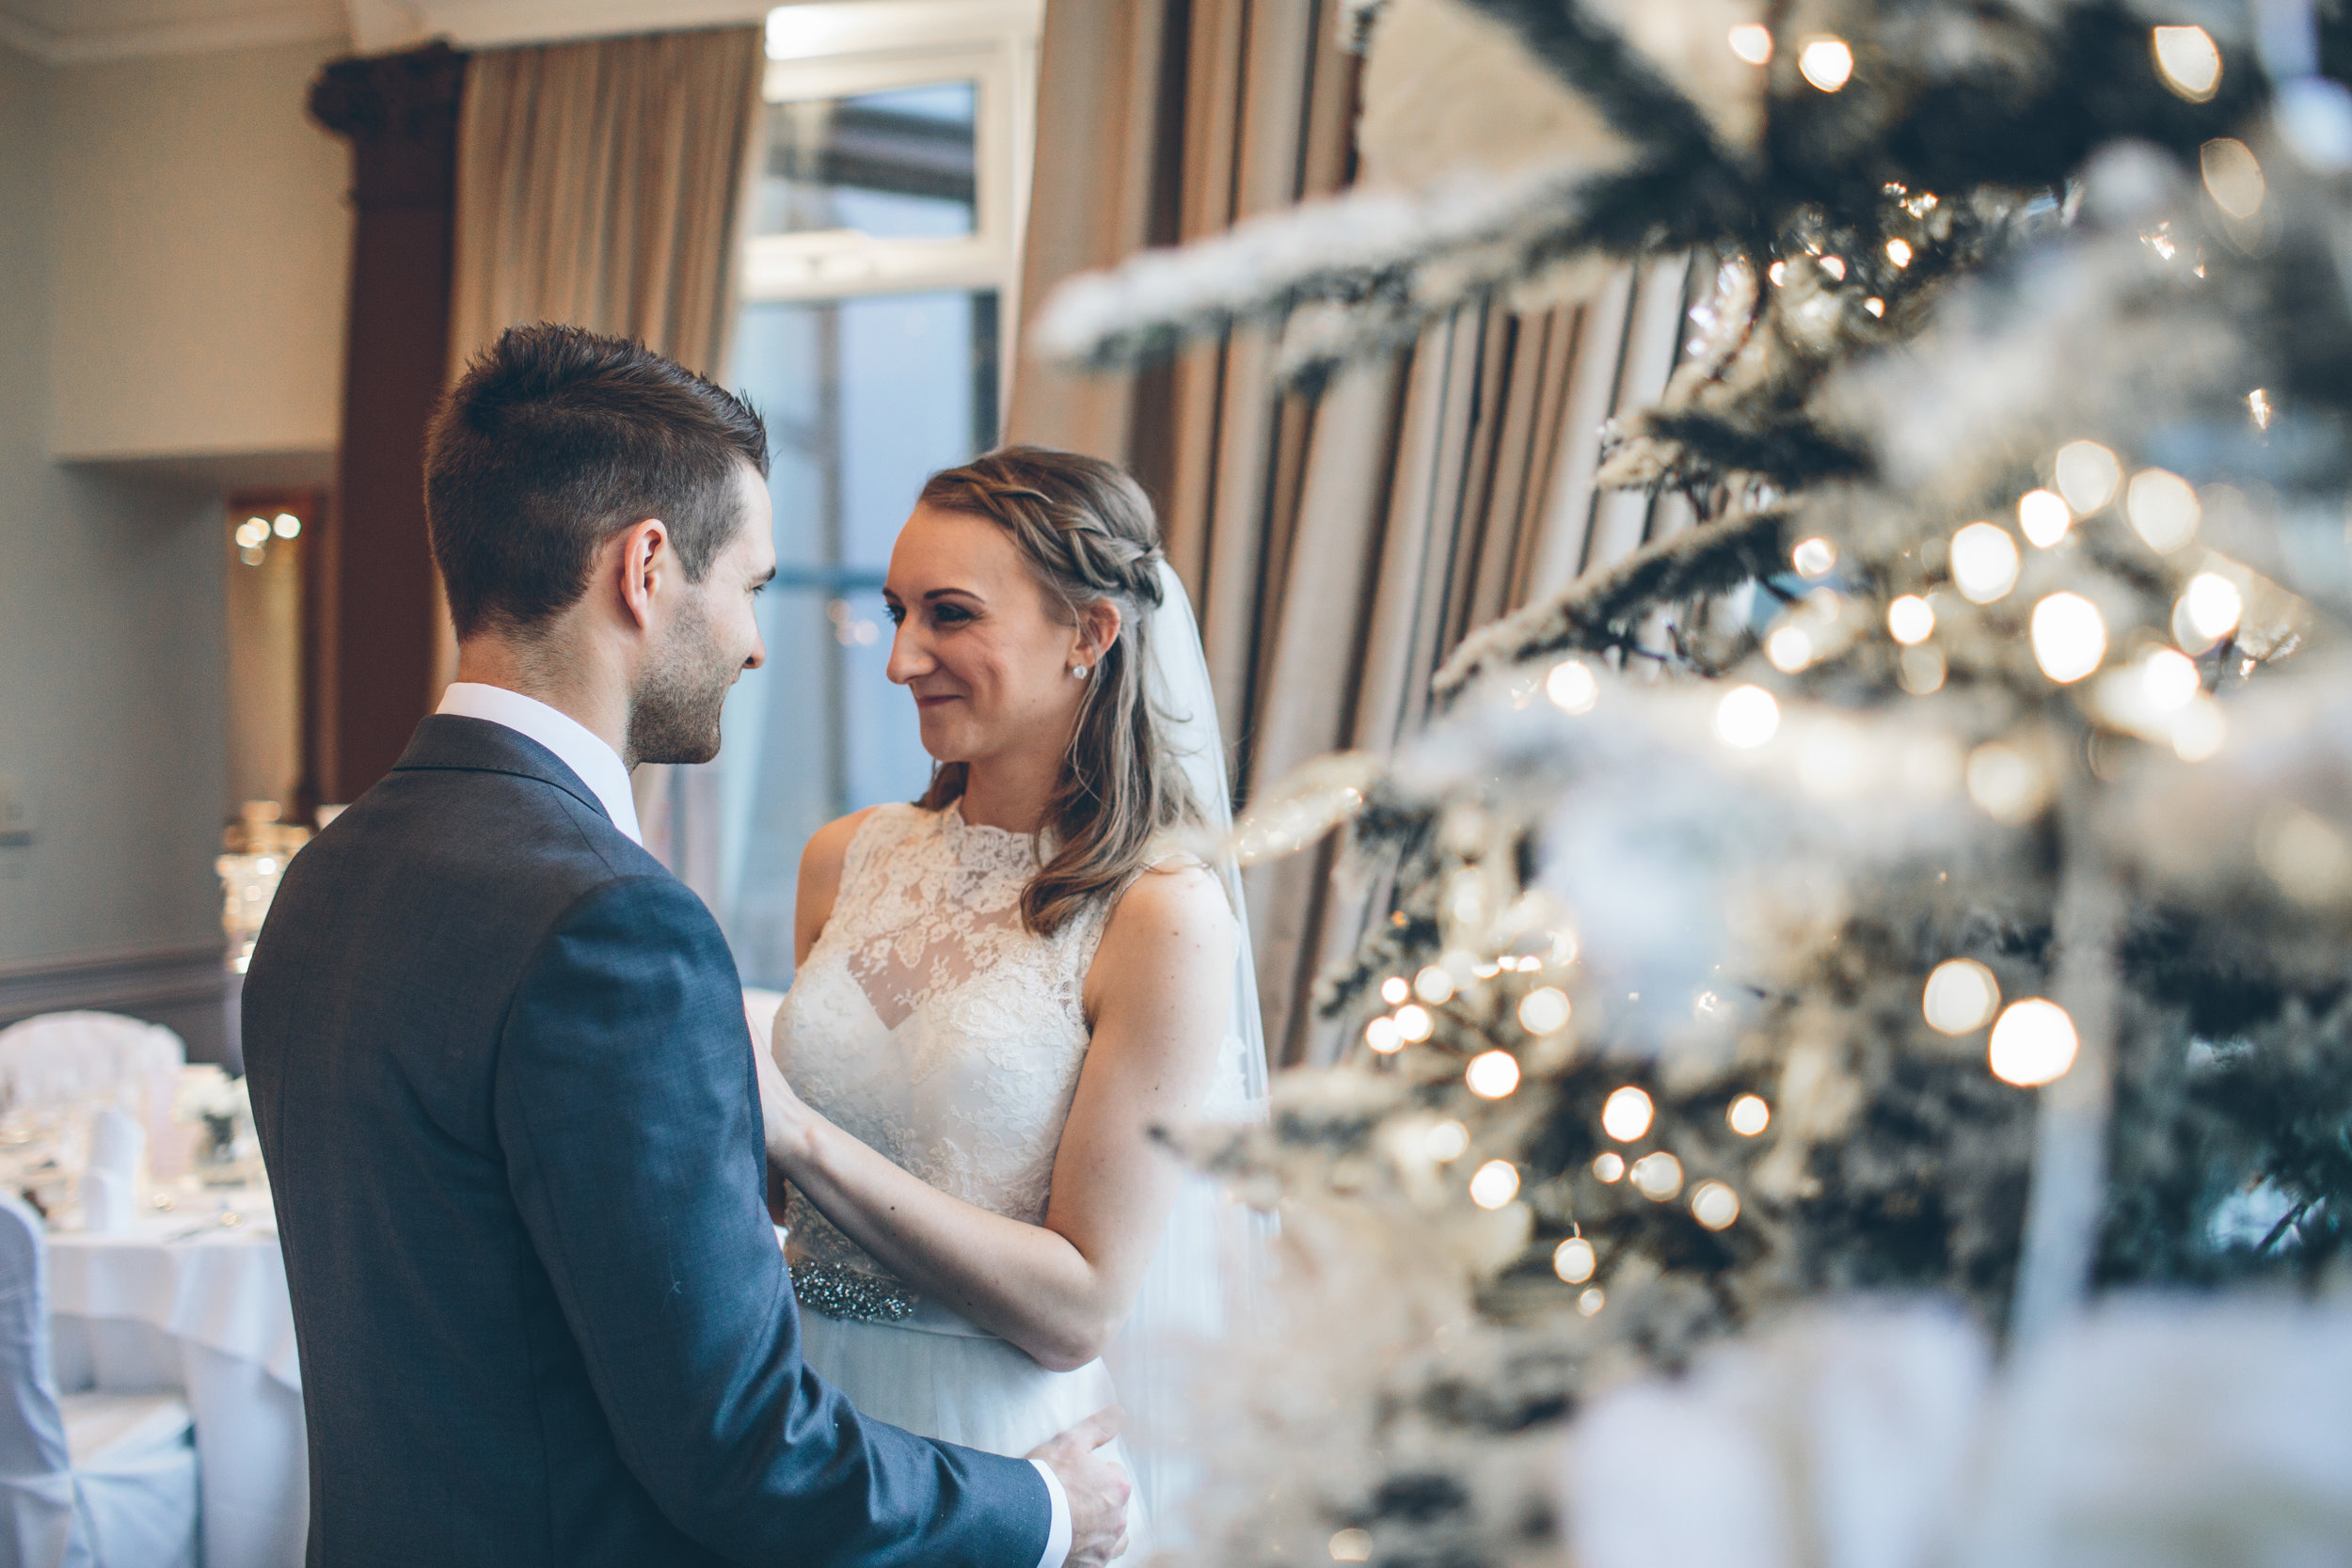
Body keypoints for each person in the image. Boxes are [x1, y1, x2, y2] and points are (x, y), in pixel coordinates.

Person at [240, 326, 1130, 1568]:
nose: (761, 641)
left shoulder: (328, 873)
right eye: (754, 584)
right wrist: (1038, 1505)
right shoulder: (615, 925)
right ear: (647, 567)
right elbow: (743, 1450)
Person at [759, 448, 1270, 1560]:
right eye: (896, 611)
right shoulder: (847, 861)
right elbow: (793, 1186)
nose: (900, 659)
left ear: (1089, 633)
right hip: (802, 1427)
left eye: (949, 615)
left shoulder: (1156, 917)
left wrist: (794, 1134)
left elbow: (1079, 1301)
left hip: (998, 1452)